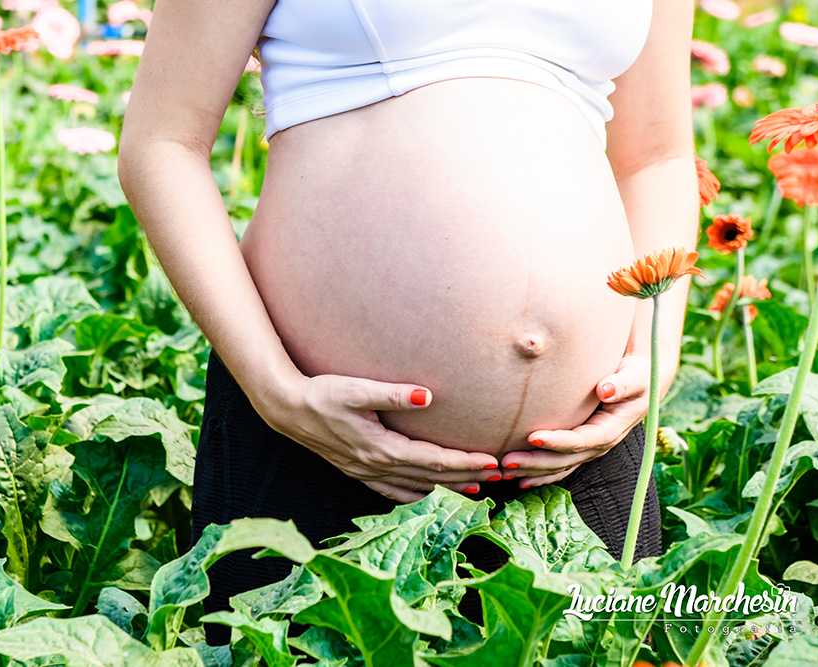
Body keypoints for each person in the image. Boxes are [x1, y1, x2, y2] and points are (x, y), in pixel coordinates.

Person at [119, 0, 698, 645]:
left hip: (584, 445)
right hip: (322, 431)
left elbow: (657, 158)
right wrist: (277, 391)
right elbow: (163, 143)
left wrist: (656, 353)